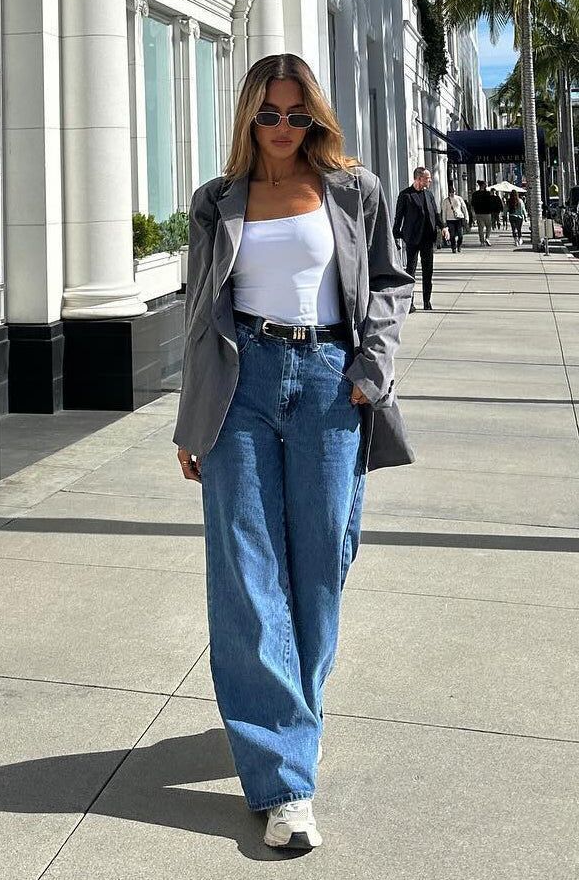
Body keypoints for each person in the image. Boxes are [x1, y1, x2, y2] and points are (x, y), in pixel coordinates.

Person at [172, 53, 415, 850]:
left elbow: (386, 281)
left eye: (296, 115)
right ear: (248, 118)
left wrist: (367, 371)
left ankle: (287, 722)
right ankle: (284, 780)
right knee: (246, 577)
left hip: (325, 383)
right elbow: (199, 311)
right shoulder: (217, 201)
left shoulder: (355, 189)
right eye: (269, 115)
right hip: (240, 386)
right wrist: (191, 419)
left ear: (315, 118)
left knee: (318, 567)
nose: (282, 129)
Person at [393, 167, 449, 311]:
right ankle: (409, 302)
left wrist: (443, 227)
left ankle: (426, 301)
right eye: (427, 178)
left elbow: (435, 214)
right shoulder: (405, 195)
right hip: (412, 239)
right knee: (410, 271)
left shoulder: (429, 195)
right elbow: (398, 217)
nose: (430, 180)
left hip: (427, 239)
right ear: (419, 178)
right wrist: (395, 235)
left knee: (428, 271)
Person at [441, 185, 469, 253]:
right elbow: (444, 211)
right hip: (450, 220)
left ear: (455, 191)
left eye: (453, 191)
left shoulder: (459, 199)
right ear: (449, 192)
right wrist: (444, 221)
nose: (452, 192)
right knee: (452, 235)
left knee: (460, 235)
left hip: (459, 218)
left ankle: (459, 245)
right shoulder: (446, 201)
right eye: (451, 191)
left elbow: (464, 208)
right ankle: (453, 247)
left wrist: (466, 217)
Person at [471, 180, 493, 246]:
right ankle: (487, 238)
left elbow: (472, 204)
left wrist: (473, 212)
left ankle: (482, 241)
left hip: (478, 213)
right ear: (483, 185)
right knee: (488, 226)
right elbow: (491, 203)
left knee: (480, 228)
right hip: (487, 212)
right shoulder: (488, 193)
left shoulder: (475, 194)